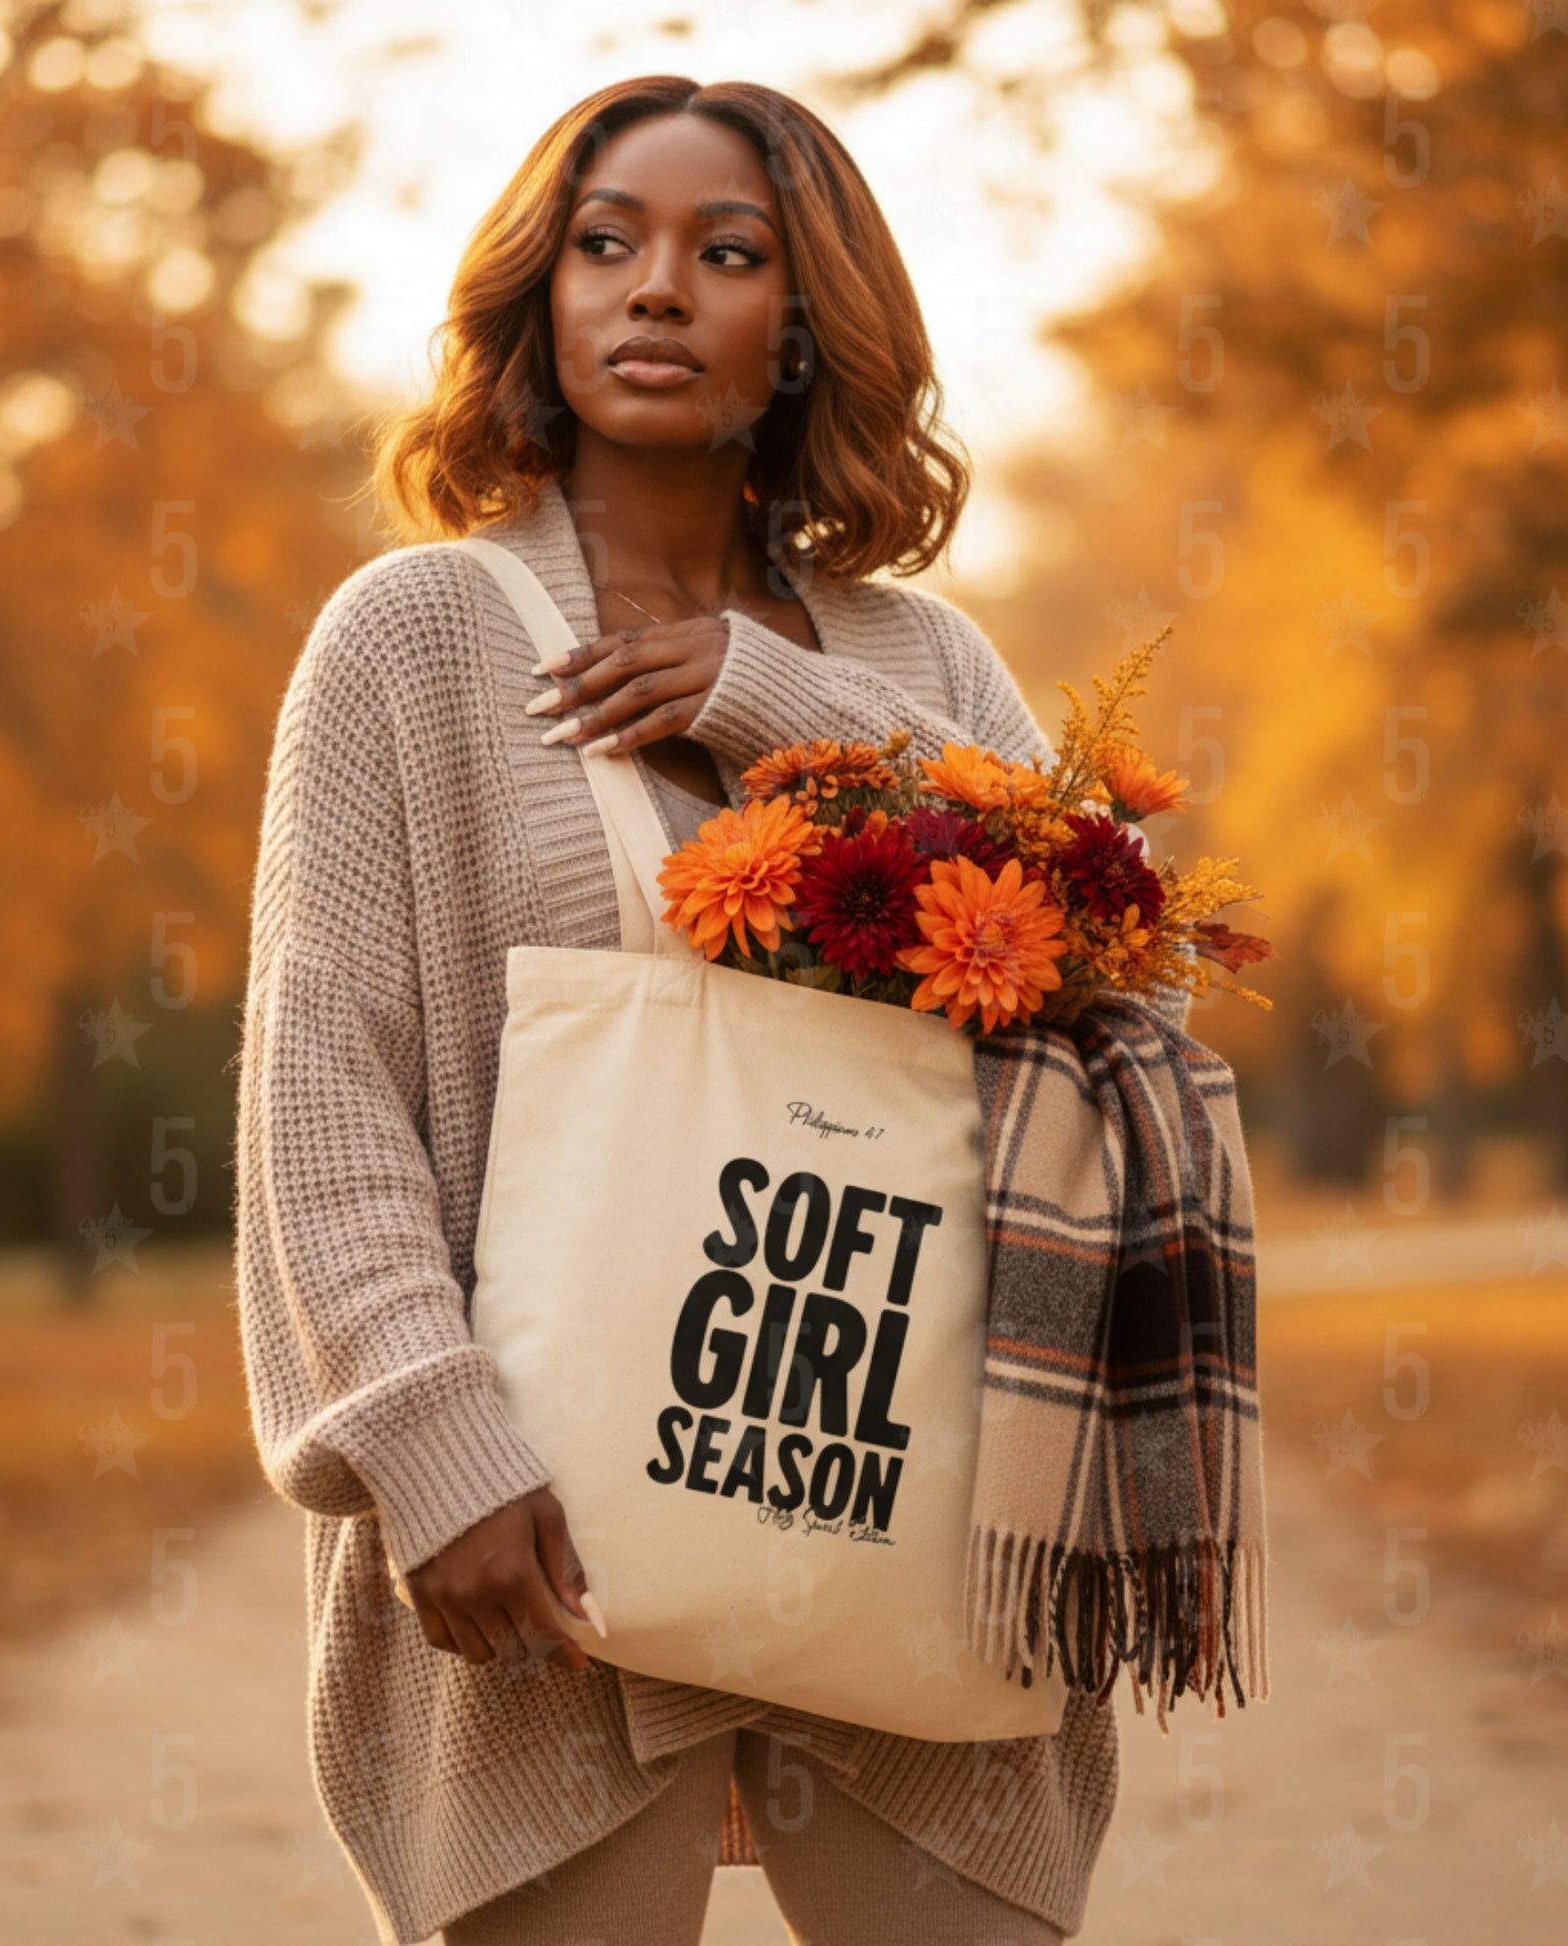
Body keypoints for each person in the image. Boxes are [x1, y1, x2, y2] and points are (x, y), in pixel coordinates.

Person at [233, 76, 1120, 1946]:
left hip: (901, 1484)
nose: (655, 289)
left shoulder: (921, 655)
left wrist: (766, 695)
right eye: (605, 242)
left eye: (726, 255)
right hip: (544, 1529)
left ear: (802, 330)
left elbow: (1100, 968)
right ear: (537, 298)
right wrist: (425, 1441)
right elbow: (325, 1091)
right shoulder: (411, 639)